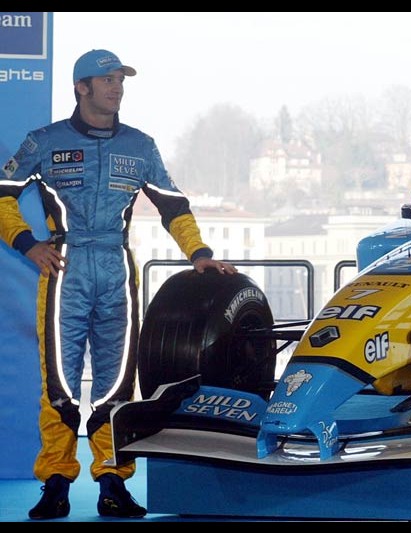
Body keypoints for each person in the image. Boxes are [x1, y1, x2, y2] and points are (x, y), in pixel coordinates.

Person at [0, 49, 238, 520]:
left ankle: (113, 481)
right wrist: (28, 244)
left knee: (117, 384)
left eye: (120, 81)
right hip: (64, 268)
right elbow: (4, 194)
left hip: (116, 269)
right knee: (59, 385)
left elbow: (174, 206)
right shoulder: (44, 141)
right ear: (81, 87)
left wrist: (200, 254)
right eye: (106, 80)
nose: (117, 88)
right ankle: (55, 482)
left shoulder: (141, 145)